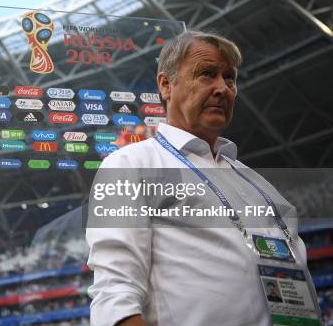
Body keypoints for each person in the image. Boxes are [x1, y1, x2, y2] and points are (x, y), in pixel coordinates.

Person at [86, 30, 320, 326]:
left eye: (230, 78)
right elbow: (115, 293)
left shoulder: (257, 183)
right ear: (166, 84)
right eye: (207, 74)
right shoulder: (131, 164)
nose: (223, 88)